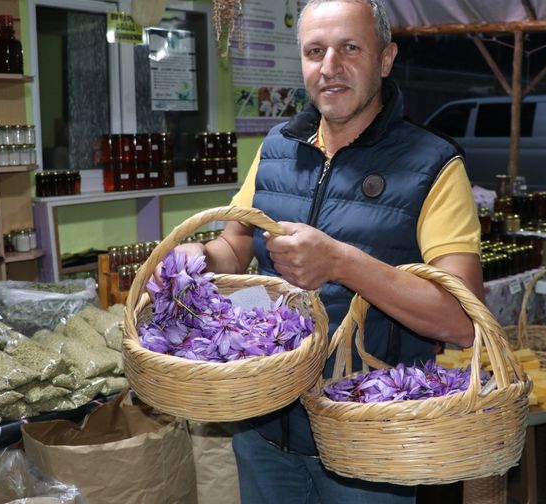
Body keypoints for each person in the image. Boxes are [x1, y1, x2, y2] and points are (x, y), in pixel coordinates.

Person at [167, 0, 482, 502]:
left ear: (385, 59)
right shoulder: (276, 148)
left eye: (349, 48)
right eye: (315, 51)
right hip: (265, 422)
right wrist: (194, 262)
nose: (330, 67)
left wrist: (340, 262)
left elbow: (462, 319)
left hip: (370, 435)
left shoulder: (434, 164)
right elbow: (234, 245)